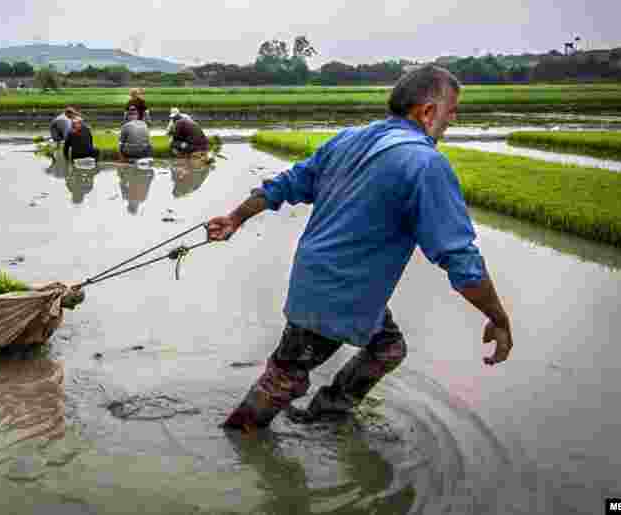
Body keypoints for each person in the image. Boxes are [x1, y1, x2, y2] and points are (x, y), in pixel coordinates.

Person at [206, 65, 512, 432]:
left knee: (388, 347)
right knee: (282, 381)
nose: (452, 120)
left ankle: (327, 414)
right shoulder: (426, 164)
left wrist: (236, 217)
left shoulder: (349, 139)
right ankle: (237, 443)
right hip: (338, 294)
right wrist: (498, 318)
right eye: (450, 112)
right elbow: (463, 263)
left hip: (331, 283)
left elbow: (286, 184)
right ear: (427, 112)